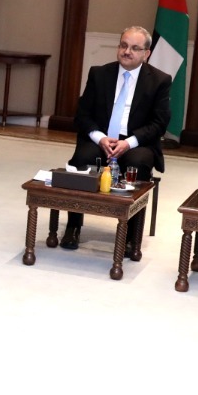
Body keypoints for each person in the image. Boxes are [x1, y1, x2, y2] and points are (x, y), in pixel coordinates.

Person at [62, 26, 172, 257]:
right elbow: (82, 115)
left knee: (138, 163)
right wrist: (100, 138)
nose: (127, 51)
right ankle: (73, 226)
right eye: (123, 45)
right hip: (101, 137)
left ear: (146, 53)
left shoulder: (160, 80)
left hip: (136, 142)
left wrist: (129, 142)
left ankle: (131, 236)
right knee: (82, 158)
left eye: (134, 48)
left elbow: (159, 123)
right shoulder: (99, 74)